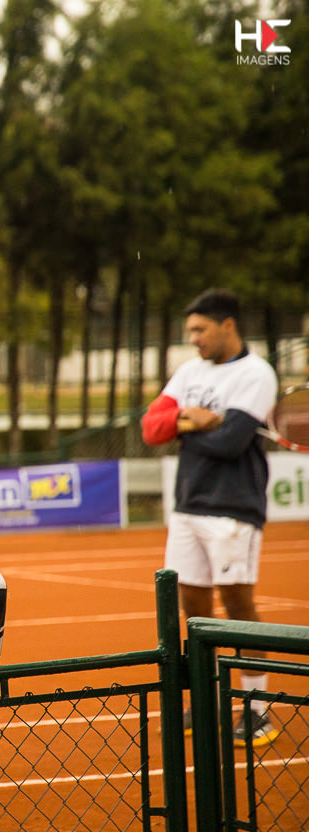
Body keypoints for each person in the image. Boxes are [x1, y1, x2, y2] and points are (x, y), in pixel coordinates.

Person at [141, 289, 279, 747]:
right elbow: (151, 429)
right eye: (191, 330)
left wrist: (183, 430)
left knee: (239, 606)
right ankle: (206, 699)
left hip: (234, 508)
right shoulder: (189, 371)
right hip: (188, 506)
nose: (194, 338)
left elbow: (231, 443)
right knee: (193, 608)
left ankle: (256, 709)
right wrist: (193, 420)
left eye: (200, 329)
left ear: (228, 325)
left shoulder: (256, 373)